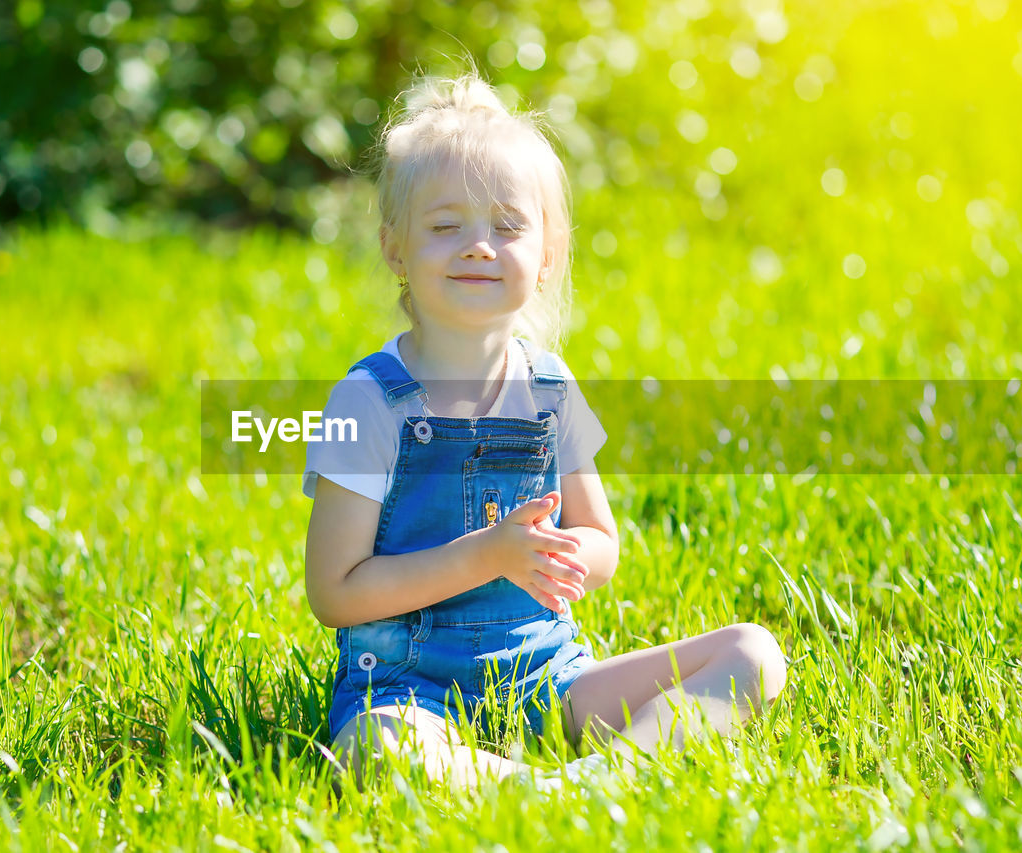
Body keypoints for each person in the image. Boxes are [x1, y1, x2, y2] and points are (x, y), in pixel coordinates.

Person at [302, 73, 787, 789]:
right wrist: (489, 555)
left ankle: (602, 775)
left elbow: (601, 542)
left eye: (506, 226)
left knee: (753, 652)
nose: (478, 246)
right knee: (377, 746)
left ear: (548, 253)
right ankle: (553, 789)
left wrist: (553, 555)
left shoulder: (550, 388)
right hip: (409, 690)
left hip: (548, 677)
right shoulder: (369, 400)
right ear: (394, 248)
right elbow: (334, 591)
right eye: (445, 226)